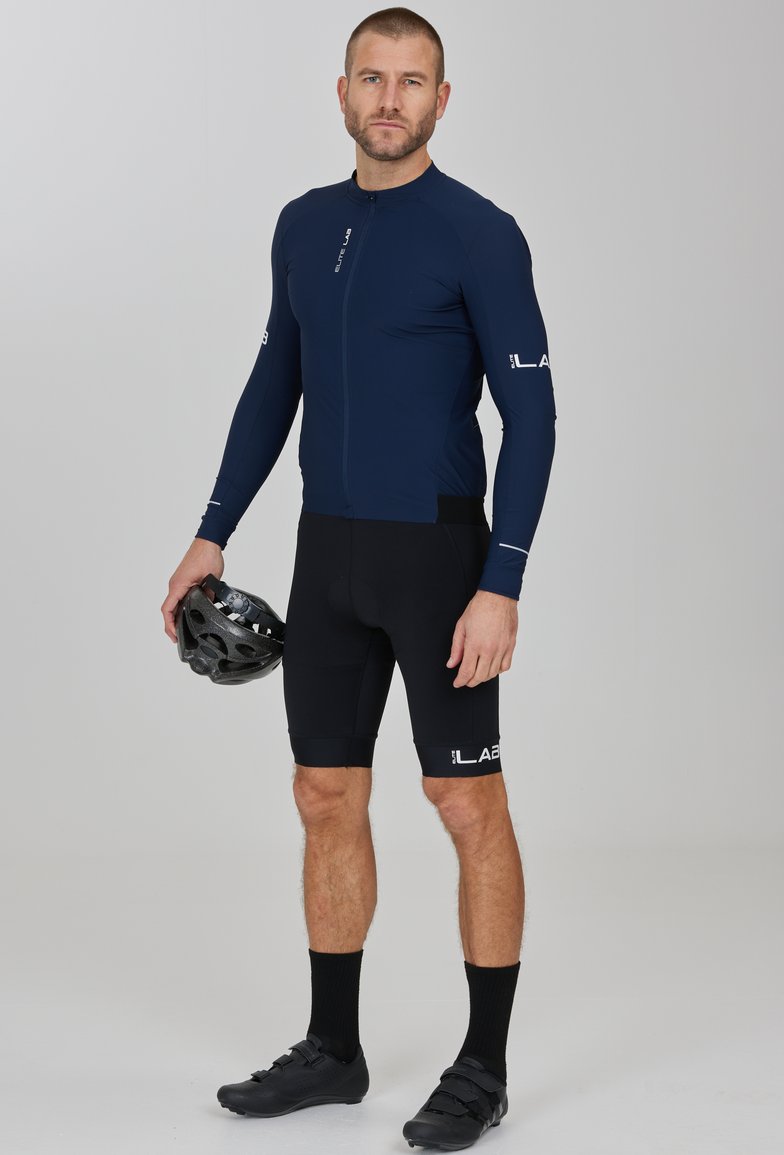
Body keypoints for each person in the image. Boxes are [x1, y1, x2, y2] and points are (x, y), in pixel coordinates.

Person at [161, 7, 556, 1149]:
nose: (390, 99)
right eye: (372, 79)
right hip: (325, 550)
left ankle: (483, 1067)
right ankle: (334, 1048)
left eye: (411, 81)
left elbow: (531, 417)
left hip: (438, 557)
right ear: (341, 93)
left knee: (465, 801)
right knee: (323, 795)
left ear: (442, 99)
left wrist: (501, 579)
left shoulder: (480, 233)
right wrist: (210, 531)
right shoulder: (302, 224)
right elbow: (271, 383)